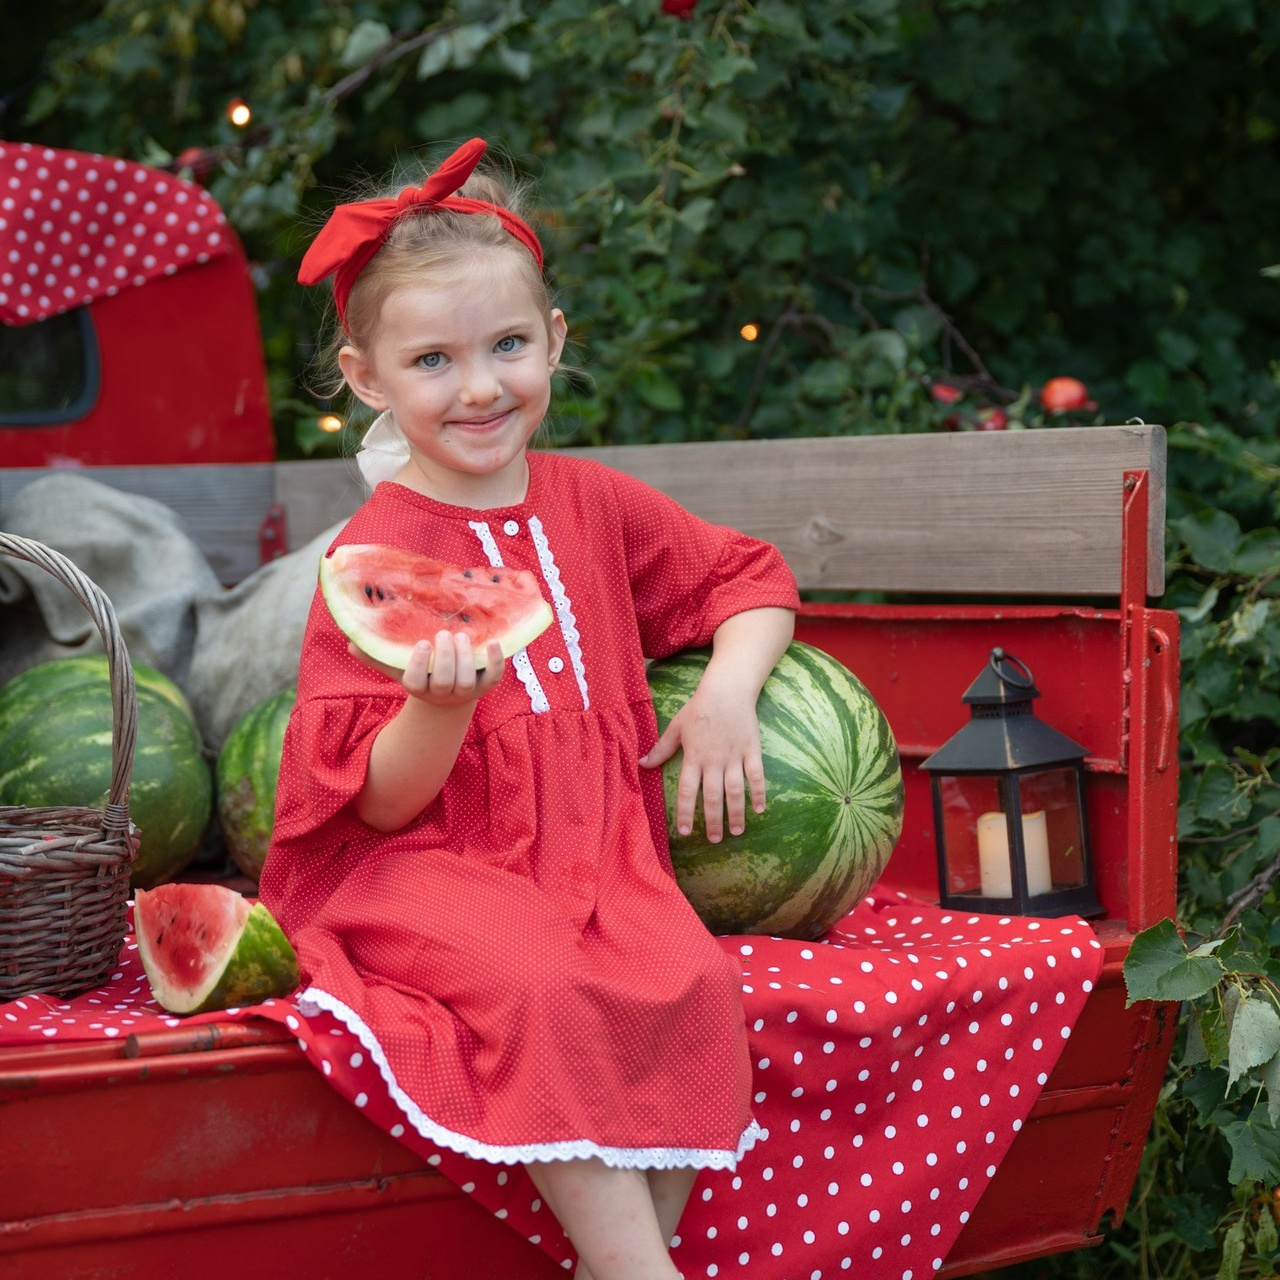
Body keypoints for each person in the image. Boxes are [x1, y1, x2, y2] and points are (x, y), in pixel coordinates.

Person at [258, 137, 799, 1280]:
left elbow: (747, 579)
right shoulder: (375, 552)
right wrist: (438, 711)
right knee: (542, 982)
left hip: (600, 851)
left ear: (554, 342)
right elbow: (379, 803)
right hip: (421, 865)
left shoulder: (592, 502)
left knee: (693, 982)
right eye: (433, 361)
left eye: (508, 345)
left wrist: (723, 693)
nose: (480, 387)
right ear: (368, 379)